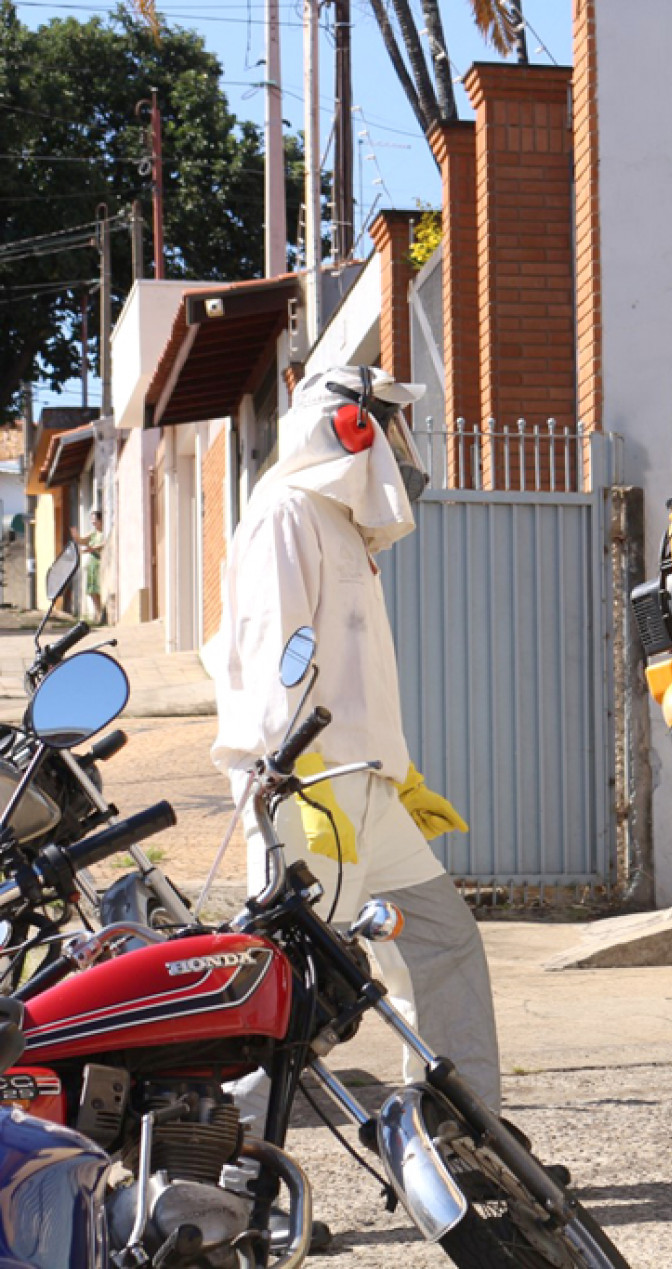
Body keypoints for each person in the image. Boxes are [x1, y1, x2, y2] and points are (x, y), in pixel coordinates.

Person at [209, 363, 501, 1113]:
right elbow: (274, 653)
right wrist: (293, 777)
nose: (402, 446)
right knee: (306, 993)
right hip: (310, 791)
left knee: (442, 941)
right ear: (349, 425)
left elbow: (352, 676)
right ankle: (232, 1174)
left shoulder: (340, 525)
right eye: (390, 423)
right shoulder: (285, 512)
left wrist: (396, 774)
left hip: (364, 786)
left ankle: (461, 1138)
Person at [70, 511, 104, 623]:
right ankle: (98, 613)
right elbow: (82, 541)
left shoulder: (103, 533)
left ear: (100, 520)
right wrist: (75, 536)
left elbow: (103, 544)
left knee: (98, 589)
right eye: (92, 520)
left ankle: (101, 614)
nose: (93, 522)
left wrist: (92, 548)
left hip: (100, 564)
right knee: (92, 590)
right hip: (92, 564)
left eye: (95, 520)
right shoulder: (93, 533)